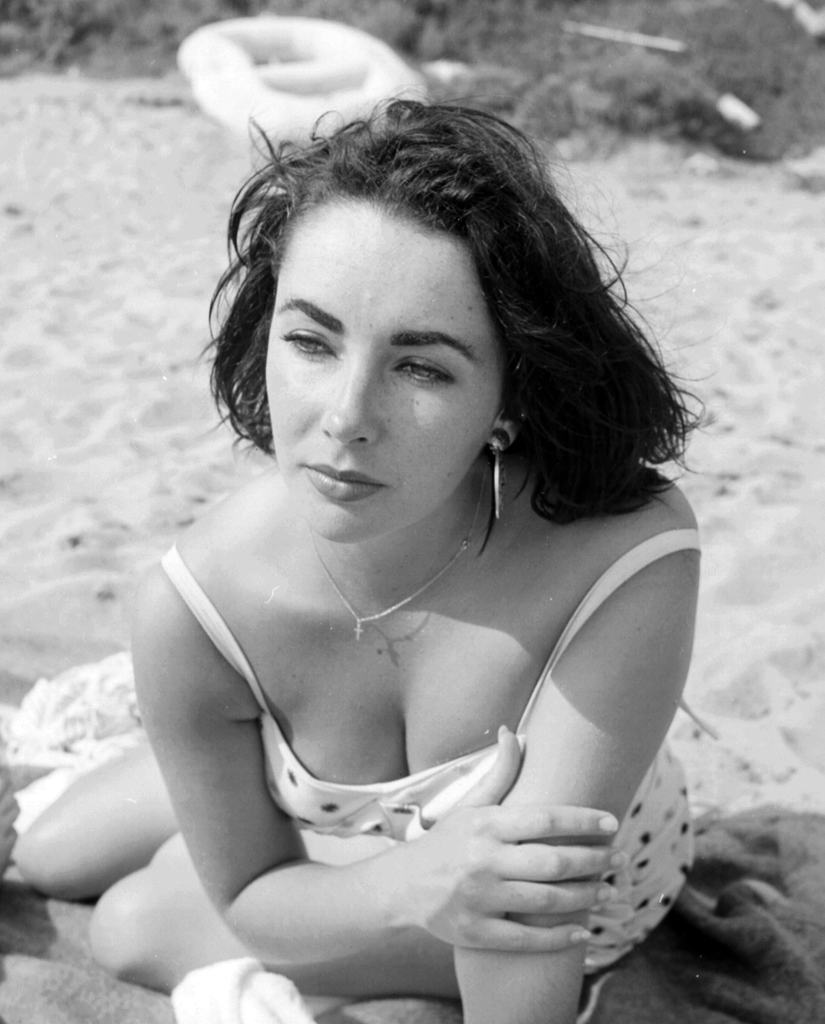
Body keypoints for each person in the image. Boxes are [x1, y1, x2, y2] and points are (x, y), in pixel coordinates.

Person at [15, 100, 701, 1024]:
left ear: (509, 397)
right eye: (310, 339)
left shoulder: (623, 555)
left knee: (132, 928)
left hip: (574, 901)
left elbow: (522, 915)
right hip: (387, 848)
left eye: (421, 367)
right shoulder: (193, 605)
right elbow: (254, 896)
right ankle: (261, 786)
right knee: (48, 848)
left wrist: (427, 887)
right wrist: (412, 879)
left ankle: (279, 799)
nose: (345, 417)